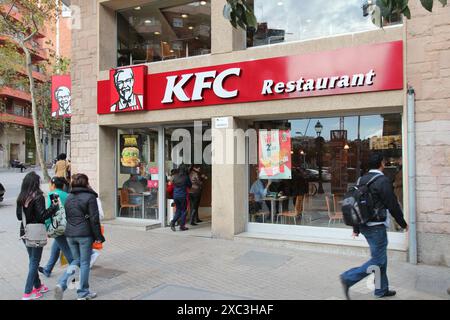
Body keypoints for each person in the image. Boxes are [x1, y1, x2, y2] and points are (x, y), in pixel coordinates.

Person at [340, 153, 408, 299]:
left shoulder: (361, 179)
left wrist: (356, 228)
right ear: (382, 163)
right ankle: (348, 277)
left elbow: (356, 203)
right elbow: (393, 205)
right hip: (376, 227)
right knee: (378, 260)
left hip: (364, 225)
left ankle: (381, 289)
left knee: (380, 257)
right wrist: (403, 224)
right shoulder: (382, 180)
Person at [55, 174, 105, 300]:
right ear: (86, 183)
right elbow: (94, 219)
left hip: (70, 234)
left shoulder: (69, 197)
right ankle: (83, 292)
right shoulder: (90, 197)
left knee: (76, 261)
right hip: (84, 234)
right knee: (84, 263)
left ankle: (61, 284)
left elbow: (66, 215)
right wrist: (99, 236)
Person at [16, 171, 59, 300]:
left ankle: (38, 286)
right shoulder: (38, 196)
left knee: (33, 260)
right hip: (36, 233)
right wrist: (54, 207)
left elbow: (19, 217)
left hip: (25, 232)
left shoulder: (21, 197)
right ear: (36, 183)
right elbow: (42, 216)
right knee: (34, 261)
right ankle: (28, 292)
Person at [38, 177, 74, 278]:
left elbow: (50, 212)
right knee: (56, 246)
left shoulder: (52, 195)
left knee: (67, 252)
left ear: (53, 185)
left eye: (50, 184)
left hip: (57, 227)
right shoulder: (67, 195)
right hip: (67, 225)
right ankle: (47, 269)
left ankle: (75, 269)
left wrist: (47, 227)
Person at [170, 165, 192, 231]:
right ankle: (182, 226)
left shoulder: (175, 176)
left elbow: (172, 183)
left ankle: (173, 222)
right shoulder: (186, 177)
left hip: (175, 196)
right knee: (183, 211)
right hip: (182, 196)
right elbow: (190, 185)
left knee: (178, 210)